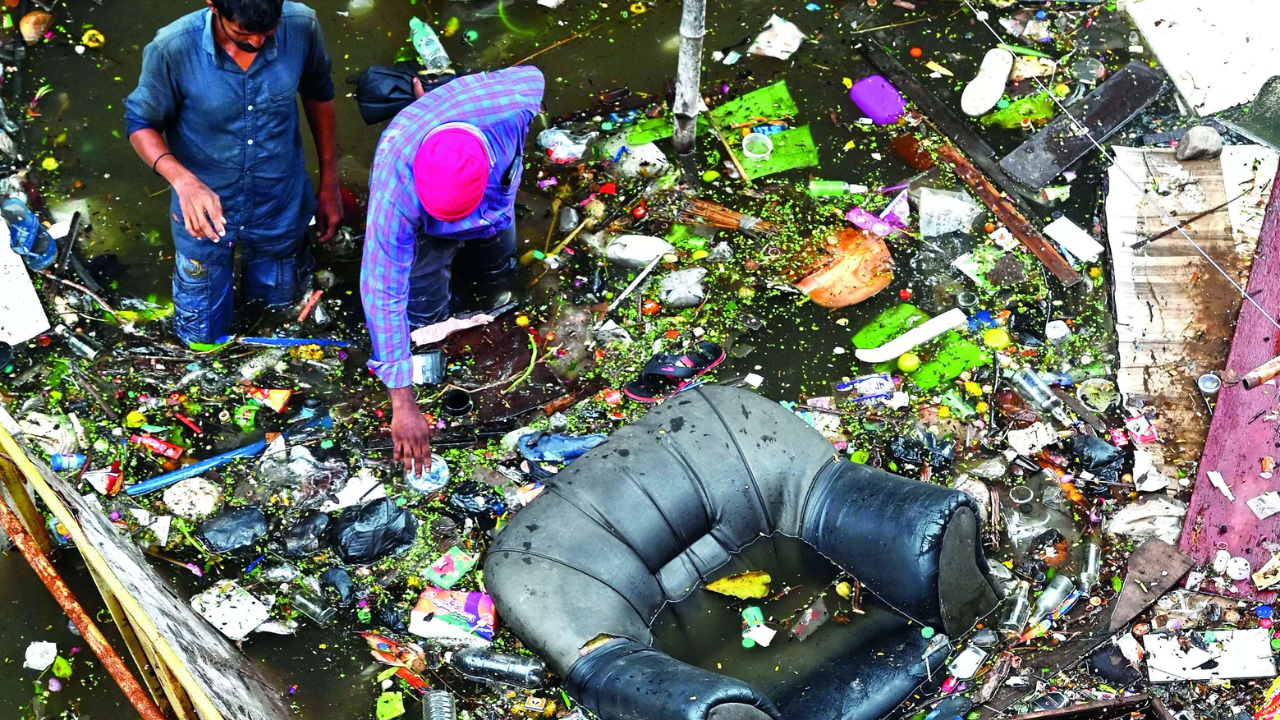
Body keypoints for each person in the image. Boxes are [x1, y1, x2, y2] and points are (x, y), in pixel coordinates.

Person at [360, 66, 545, 476]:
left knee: (501, 279)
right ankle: (436, 328)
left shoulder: (514, 105)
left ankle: (492, 289)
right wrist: (403, 402)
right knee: (423, 312)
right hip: (424, 229)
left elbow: (534, 75)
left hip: (495, 206)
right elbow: (382, 290)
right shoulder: (396, 182)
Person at [123, 0, 341, 345]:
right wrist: (182, 180)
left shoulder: (302, 26)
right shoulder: (172, 48)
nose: (256, 43)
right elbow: (140, 123)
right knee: (201, 340)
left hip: (278, 207)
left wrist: (330, 180)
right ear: (213, 6)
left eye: (267, 33)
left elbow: (319, 93)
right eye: (243, 32)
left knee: (280, 324)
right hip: (203, 218)